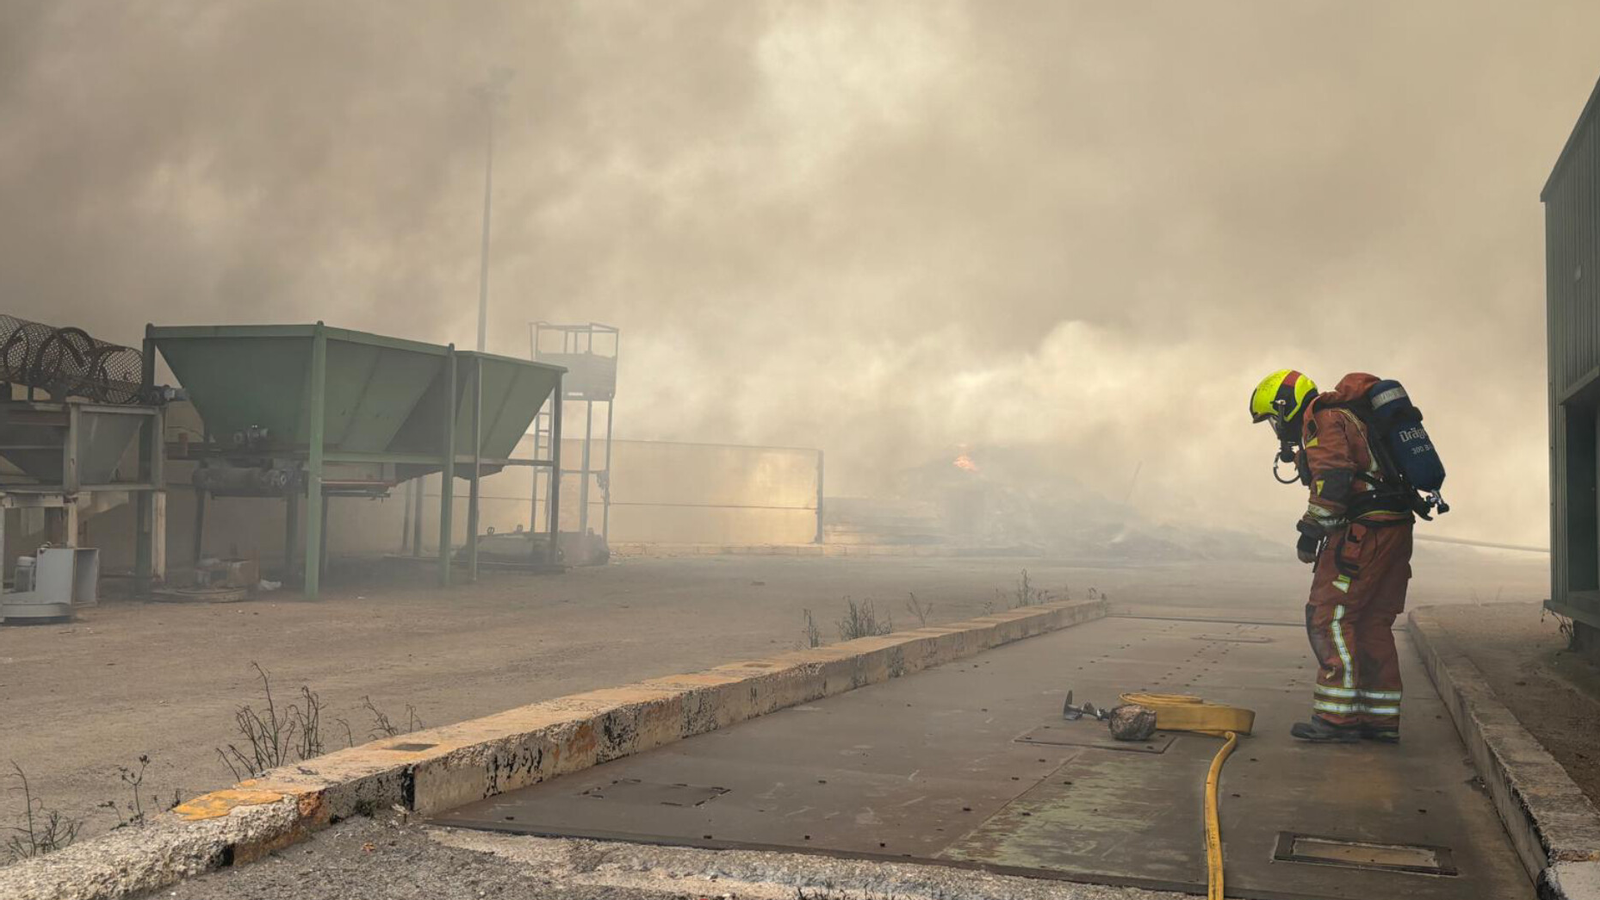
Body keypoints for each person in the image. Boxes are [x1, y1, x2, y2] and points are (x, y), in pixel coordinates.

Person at [1249, 370, 1415, 743]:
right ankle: (1379, 720)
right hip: (1394, 529)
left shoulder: (1323, 420)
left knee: (1330, 618)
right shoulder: (1352, 416)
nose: (1276, 428)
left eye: (1274, 419)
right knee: (1373, 621)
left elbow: (1335, 479)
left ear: (1284, 407)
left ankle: (1336, 718)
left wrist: (1310, 532)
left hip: (1363, 535)